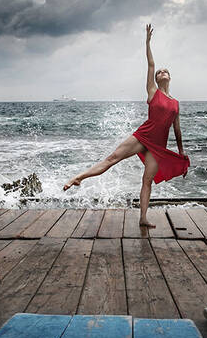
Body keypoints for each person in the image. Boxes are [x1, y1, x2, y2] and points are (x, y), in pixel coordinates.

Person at [63, 24, 190, 228]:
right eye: (160, 72)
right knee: (112, 159)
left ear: (170, 77)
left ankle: (143, 218)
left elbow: (177, 130)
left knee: (147, 181)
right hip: (143, 136)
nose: (162, 72)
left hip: (159, 147)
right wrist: (147, 42)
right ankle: (78, 177)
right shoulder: (152, 92)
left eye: (165, 71)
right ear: (156, 79)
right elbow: (150, 64)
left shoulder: (175, 103)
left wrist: (182, 152)